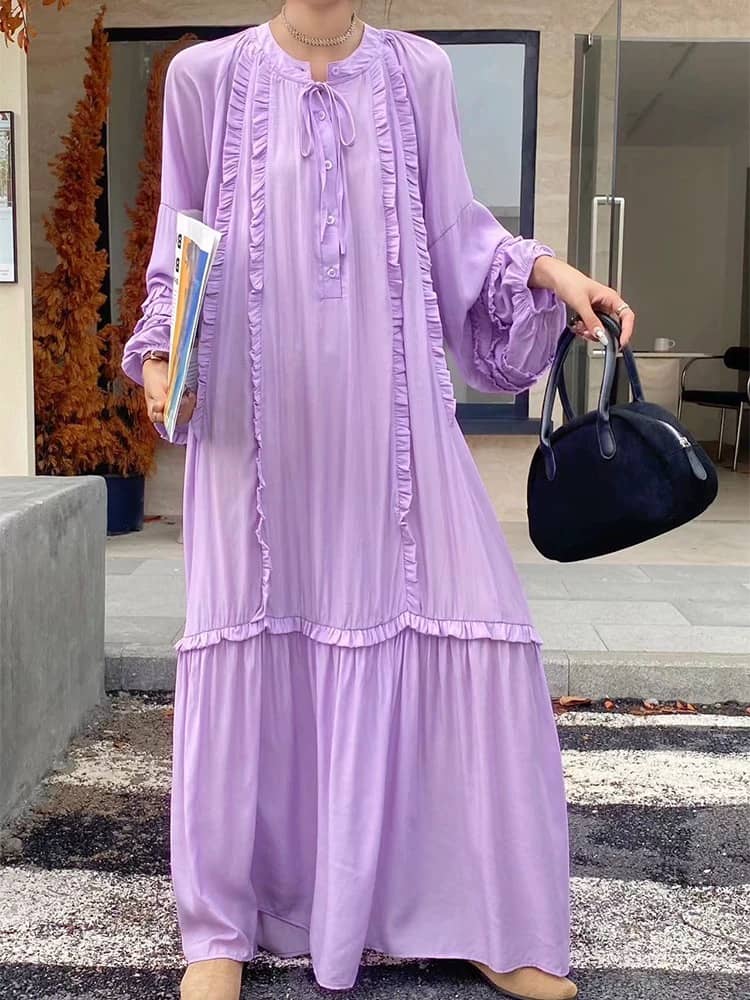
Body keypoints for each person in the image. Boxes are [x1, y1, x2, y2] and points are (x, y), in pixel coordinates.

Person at [121, 3, 636, 999]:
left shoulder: (418, 72)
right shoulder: (204, 79)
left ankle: (479, 908)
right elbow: (179, 242)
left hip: (394, 426)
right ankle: (219, 929)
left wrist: (547, 269)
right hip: (256, 430)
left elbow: (456, 231)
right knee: (251, 630)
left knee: (473, 610)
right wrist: (159, 354)